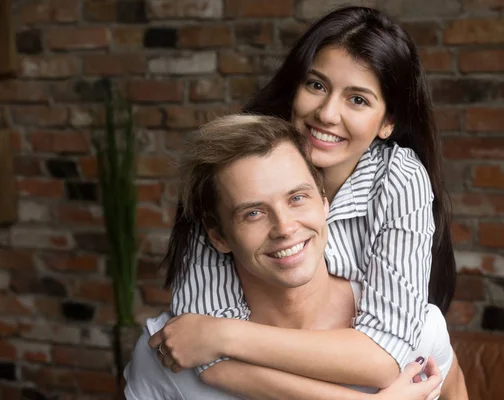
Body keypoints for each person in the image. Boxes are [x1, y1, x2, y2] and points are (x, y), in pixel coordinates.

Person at [154, 5, 463, 397]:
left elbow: (383, 357)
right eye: (316, 85)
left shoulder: (398, 179)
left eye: (358, 100)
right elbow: (206, 358)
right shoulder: (235, 171)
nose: (327, 113)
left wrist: (223, 334)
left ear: (388, 122)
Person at [125, 115, 455, 399]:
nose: (284, 228)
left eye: (297, 198)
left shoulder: (420, 333)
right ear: (218, 235)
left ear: (325, 202)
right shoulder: (169, 354)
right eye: (253, 213)